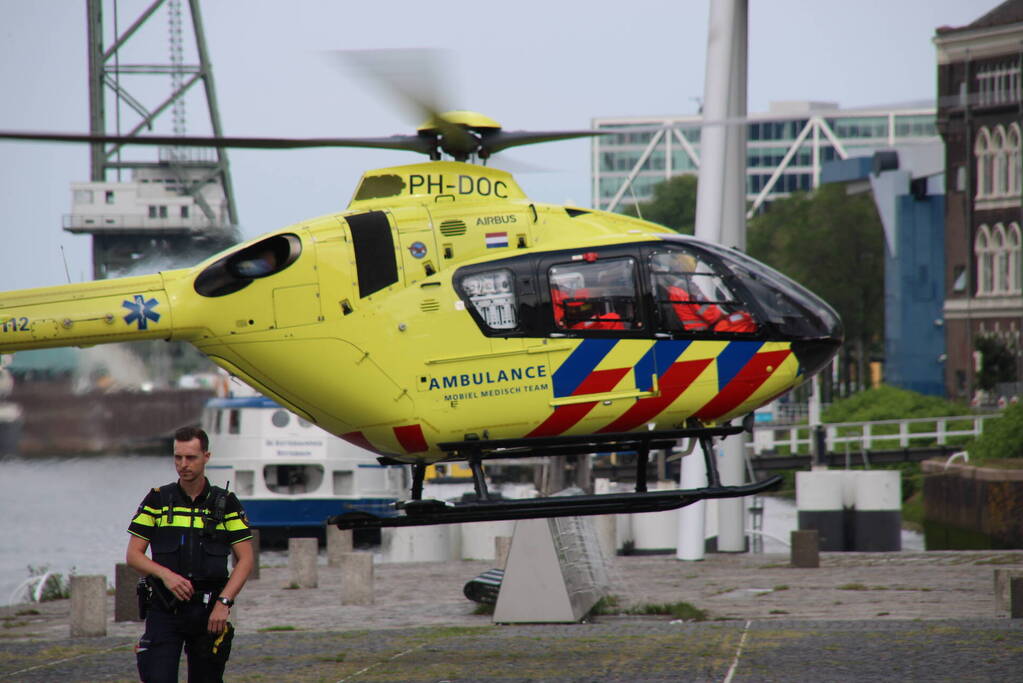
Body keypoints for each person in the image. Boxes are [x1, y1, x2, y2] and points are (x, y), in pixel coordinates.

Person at [127, 426, 254, 683]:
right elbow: (134, 555)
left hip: (209, 613)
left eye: (191, 457)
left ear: (206, 457)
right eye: (178, 457)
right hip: (164, 610)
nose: (183, 464)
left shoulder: (226, 502)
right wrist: (167, 576)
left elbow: (246, 559)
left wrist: (224, 603)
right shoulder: (157, 500)